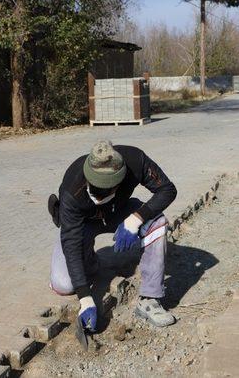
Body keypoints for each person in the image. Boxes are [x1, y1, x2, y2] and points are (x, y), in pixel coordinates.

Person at [48, 140, 177, 332]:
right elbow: (71, 241)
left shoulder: (135, 161)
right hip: (85, 224)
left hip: (121, 213)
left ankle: (150, 298)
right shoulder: (71, 189)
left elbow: (167, 190)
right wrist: (85, 298)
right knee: (63, 284)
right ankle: (90, 264)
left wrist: (136, 219)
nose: (98, 197)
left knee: (157, 223)